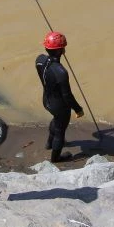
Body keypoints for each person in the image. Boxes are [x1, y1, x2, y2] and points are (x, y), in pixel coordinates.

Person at [35, 31, 83, 163]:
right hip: (59, 105)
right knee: (60, 130)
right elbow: (67, 96)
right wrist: (78, 109)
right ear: (60, 51)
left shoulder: (39, 60)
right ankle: (56, 159)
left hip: (47, 100)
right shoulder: (61, 72)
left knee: (56, 121)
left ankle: (49, 143)